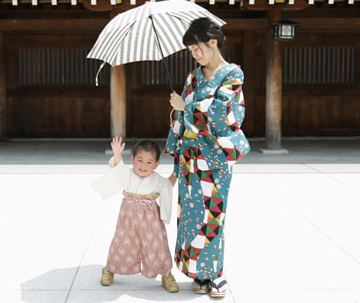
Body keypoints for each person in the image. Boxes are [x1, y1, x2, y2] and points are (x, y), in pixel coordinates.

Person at [165, 17, 250, 298]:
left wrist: (185, 107)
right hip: (189, 157)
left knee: (213, 215)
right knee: (190, 215)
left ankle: (217, 273)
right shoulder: (193, 77)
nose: (195, 54)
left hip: (214, 158)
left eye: (197, 47)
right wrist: (176, 152)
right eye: (191, 50)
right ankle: (198, 273)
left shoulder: (232, 75)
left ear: (212, 42)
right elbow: (184, 115)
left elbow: (219, 115)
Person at [91, 137, 179, 293]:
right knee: (122, 241)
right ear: (132, 160)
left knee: (157, 244)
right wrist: (117, 154)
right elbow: (118, 169)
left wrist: (176, 173)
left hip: (151, 218)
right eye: (140, 160)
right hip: (128, 215)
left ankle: (166, 273)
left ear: (157, 165)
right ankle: (110, 268)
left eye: (149, 162)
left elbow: (167, 186)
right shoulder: (128, 174)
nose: (144, 166)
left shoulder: (157, 179)